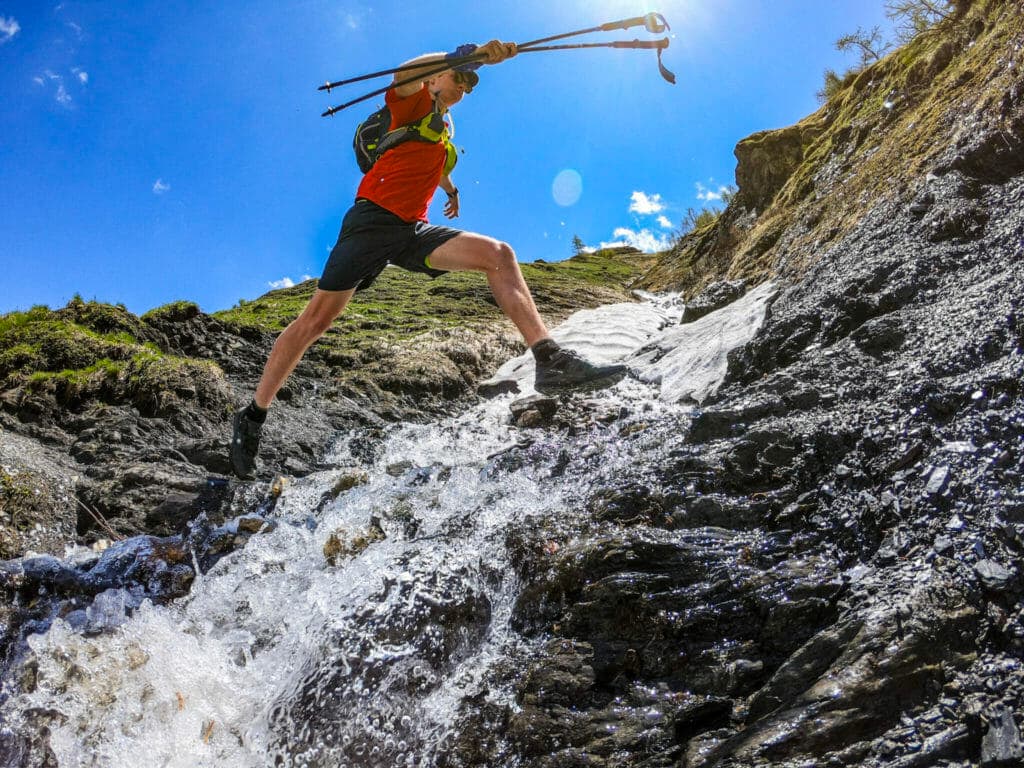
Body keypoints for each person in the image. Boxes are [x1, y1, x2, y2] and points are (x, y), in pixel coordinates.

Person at [230, 40, 626, 480]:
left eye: (470, 84)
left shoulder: (442, 124)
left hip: (411, 231)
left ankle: (550, 360)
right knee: (315, 322)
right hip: (371, 222)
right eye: (460, 78)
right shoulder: (414, 99)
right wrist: (461, 56)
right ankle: (253, 416)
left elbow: (433, 165)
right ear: (437, 77)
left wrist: (451, 191)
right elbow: (402, 74)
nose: (465, 87)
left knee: (499, 255)